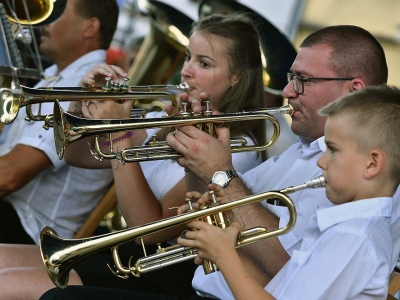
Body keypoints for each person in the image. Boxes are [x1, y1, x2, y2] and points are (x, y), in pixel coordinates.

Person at [36, 24, 395, 300]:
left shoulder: (350, 194)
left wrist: (220, 174)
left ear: (354, 90)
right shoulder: (300, 152)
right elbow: (211, 208)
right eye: (290, 78)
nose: (287, 92)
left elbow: (287, 271)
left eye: (302, 80)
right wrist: (200, 168)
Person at [0, 12, 267, 300]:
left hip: (161, 272)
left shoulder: (237, 150)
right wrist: (81, 102)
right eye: (189, 57)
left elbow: (150, 230)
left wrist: (118, 135)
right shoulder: (161, 121)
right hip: (124, 254)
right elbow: (76, 156)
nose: (186, 70)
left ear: (237, 77)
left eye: (203, 63)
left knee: (7, 286)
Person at [177, 84, 399, 299]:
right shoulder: (348, 228)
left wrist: (223, 255)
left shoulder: (354, 237)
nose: (321, 161)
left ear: (372, 164)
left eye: (333, 150)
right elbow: (280, 289)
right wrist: (219, 232)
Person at [0, 0, 118, 298]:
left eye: (56, 13)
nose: (44, 21)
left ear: (89, 27)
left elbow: (9, 176)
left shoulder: (89, 84)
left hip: (29, 228)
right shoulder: (57, 74)